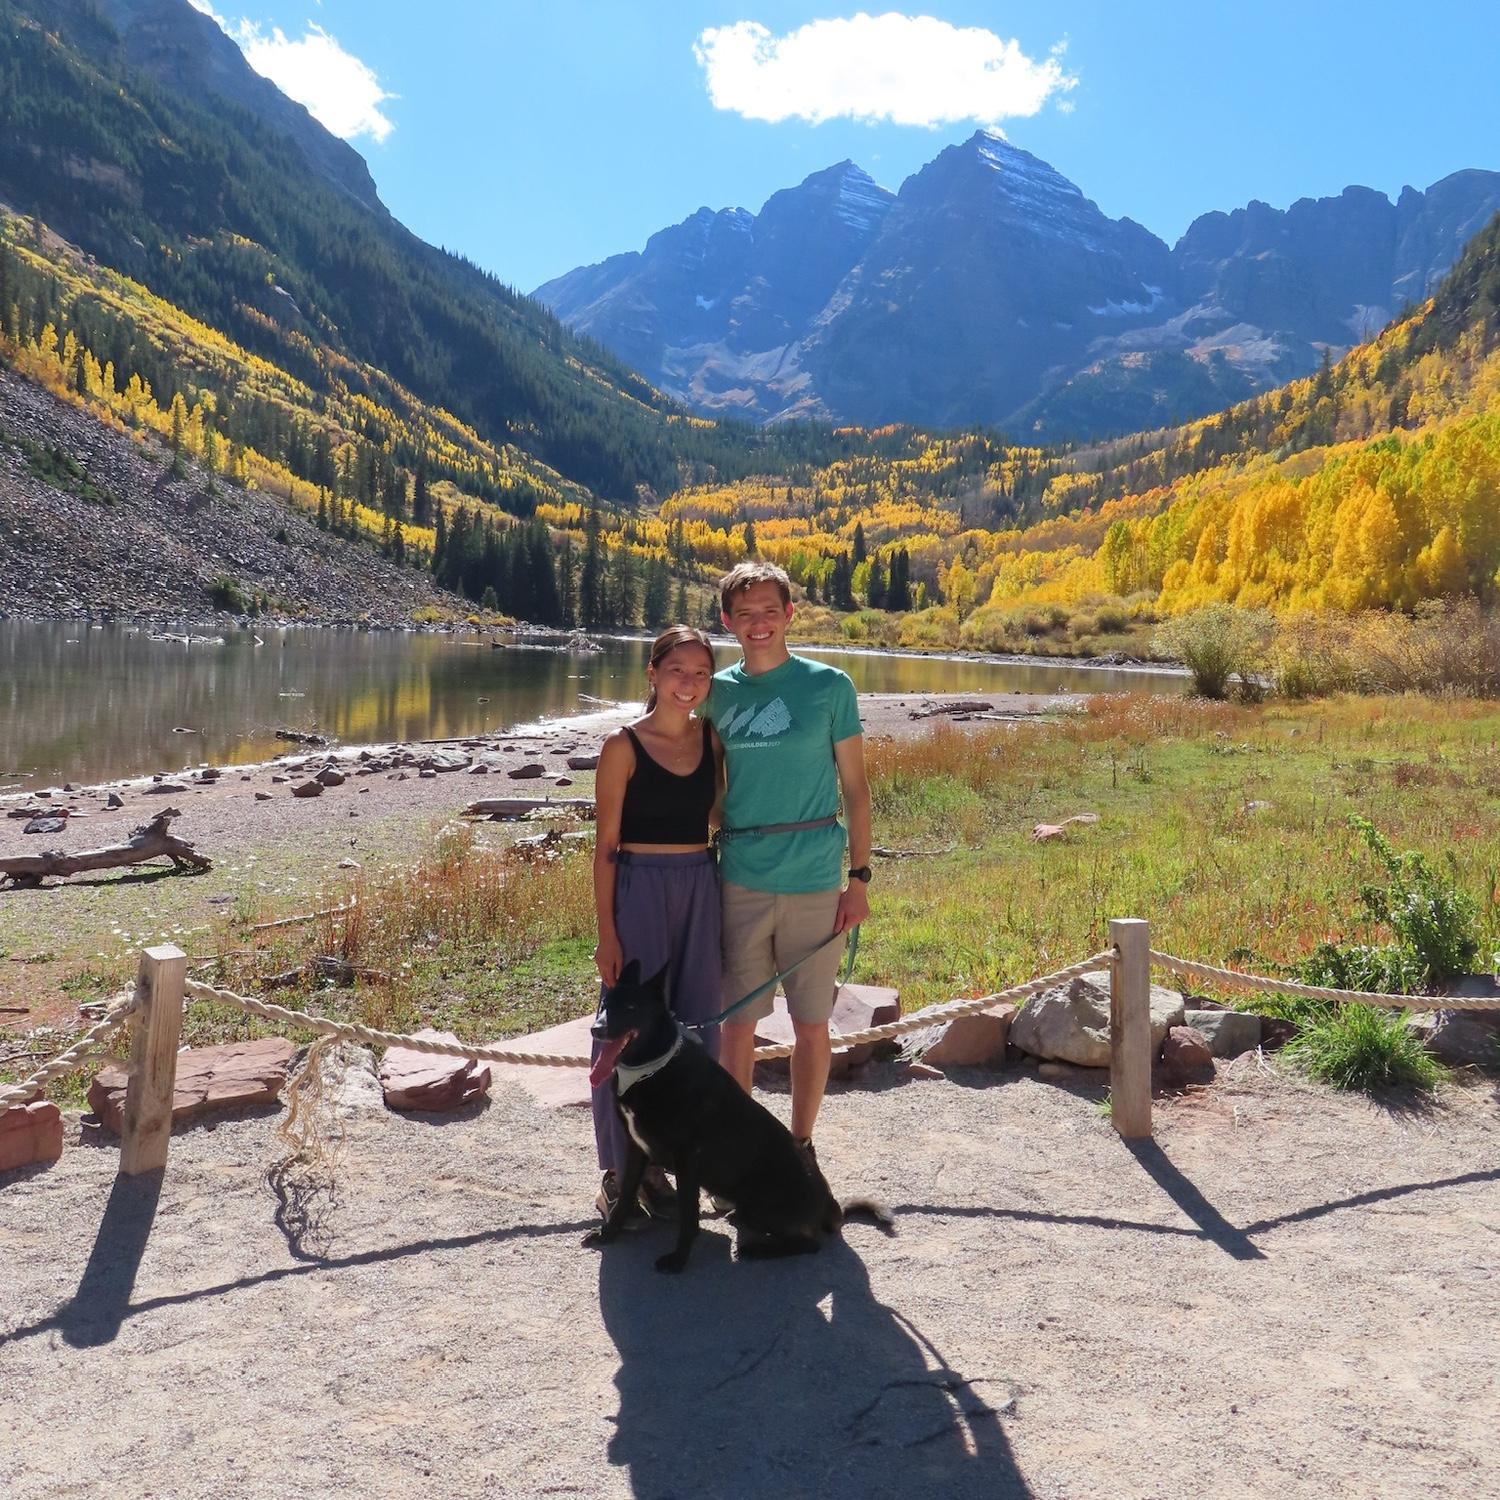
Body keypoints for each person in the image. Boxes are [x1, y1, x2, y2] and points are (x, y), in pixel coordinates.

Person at [702, 561, 872, 1165]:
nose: (759, 623)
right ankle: (739, 1155)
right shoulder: (715, 692)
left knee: (811, 1023)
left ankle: (800, 1146)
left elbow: (856, 789)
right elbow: (710, 787)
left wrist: (859, 878)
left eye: (769, 611)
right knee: (737, 1024)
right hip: (740, 876)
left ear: (789, 615)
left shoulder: (830, 687)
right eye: (745, 613)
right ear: (727, 620)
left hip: (815, 878)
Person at [590, 624, 723, 1220]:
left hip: (700, 885)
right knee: (624, 1029)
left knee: (701, 1026)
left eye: (701, 673)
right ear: (653, 673)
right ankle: (621, 1173)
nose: (688, 683)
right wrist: (607, 933)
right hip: (639, 887)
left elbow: (721, 817)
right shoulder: (622, 746)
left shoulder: (711, 739)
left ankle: (688, 1160)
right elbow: (605, 848)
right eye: (677, 670)